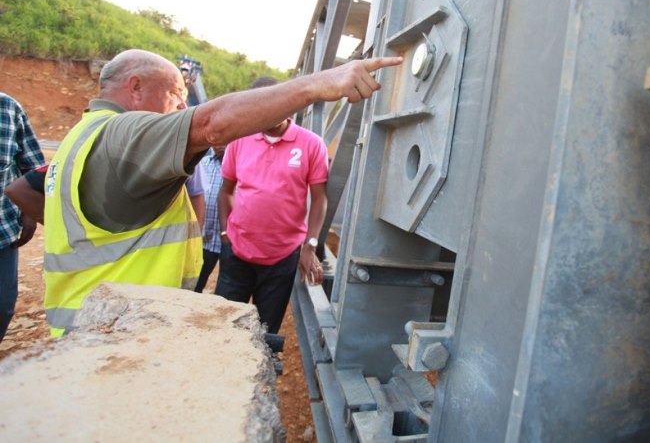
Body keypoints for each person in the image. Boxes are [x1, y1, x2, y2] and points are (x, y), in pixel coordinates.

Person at [43, 49, 400, 336]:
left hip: (100, 320)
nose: (183, 105)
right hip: (114, 330)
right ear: (135, 87)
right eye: (176, 94)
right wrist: (317, 85)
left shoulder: (84, 134)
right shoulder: (123, 134)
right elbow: (210, 126)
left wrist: (307, 244)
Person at [214, 76, 328, 334]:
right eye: (263, 105)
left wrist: (310, 246)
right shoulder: (239, 140)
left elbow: (320, 198)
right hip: (237, 254)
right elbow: (226, 191)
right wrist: (224, 235)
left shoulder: (311, 144)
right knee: (223, 328)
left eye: (276, 102)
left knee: (265, 333)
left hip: (281, 259)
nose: (271, 110)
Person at [0, 94, 45, 342]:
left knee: (3, 305)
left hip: (2, 235)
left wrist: (29, 214)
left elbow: (32, 164)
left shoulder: (7, 108)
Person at [194, 144, 225, 293]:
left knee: (226, 292)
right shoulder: (201, 164)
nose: (220, 144)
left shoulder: (241, 165)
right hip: (204, 239)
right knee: (195, 285)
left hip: (228, 241)